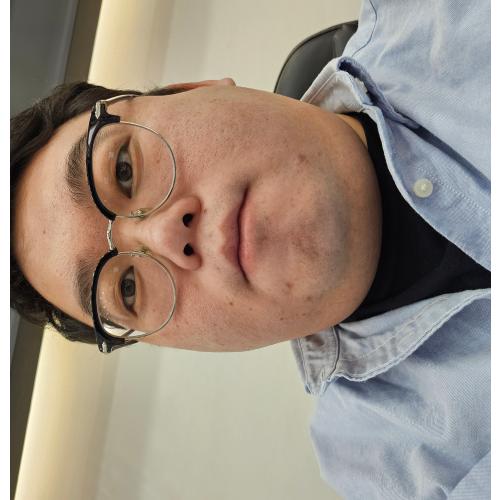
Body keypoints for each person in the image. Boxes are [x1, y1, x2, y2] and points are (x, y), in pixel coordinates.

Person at [11, 0, 490, 498]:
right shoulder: (392, 472)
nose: (166, 237)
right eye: (127, 288)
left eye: (124, 170)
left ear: (195, 90)